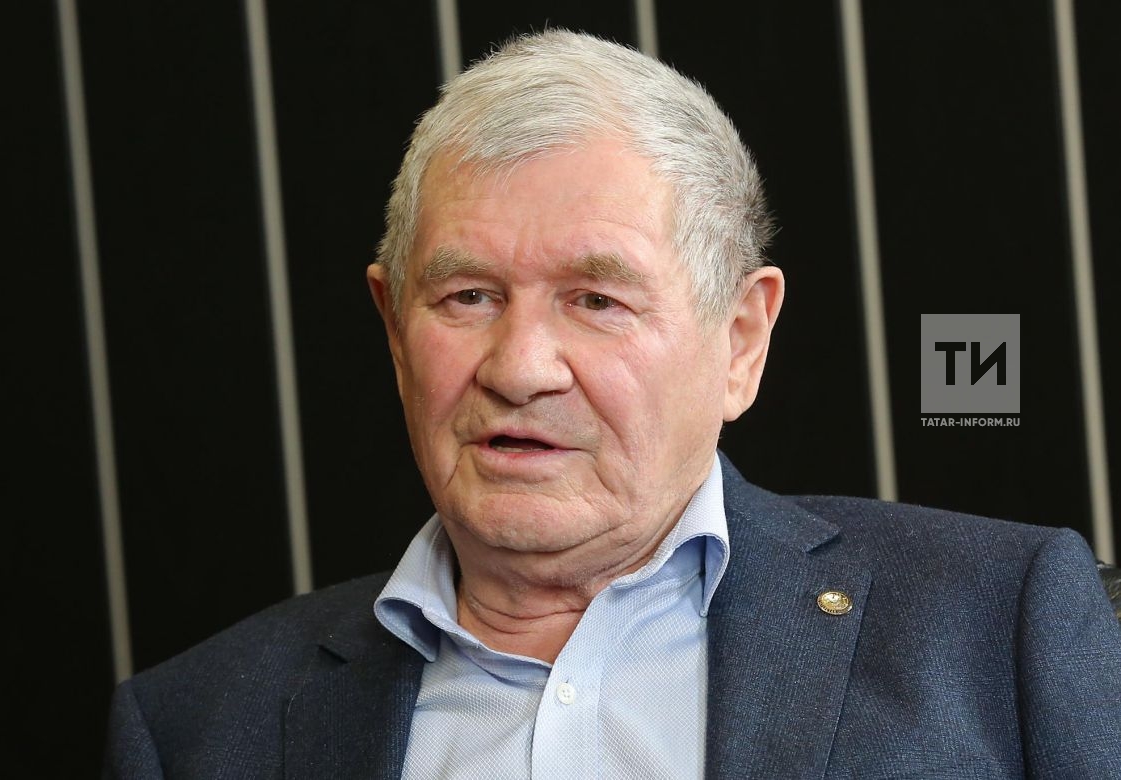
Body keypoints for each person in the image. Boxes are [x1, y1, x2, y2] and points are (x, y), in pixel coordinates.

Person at [102, 29, 1121, 779]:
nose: (520, 368)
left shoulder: (999, 626)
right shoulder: (194, 734)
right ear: (393, 328)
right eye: (468, 297)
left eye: (596, 300)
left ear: (740, 340)